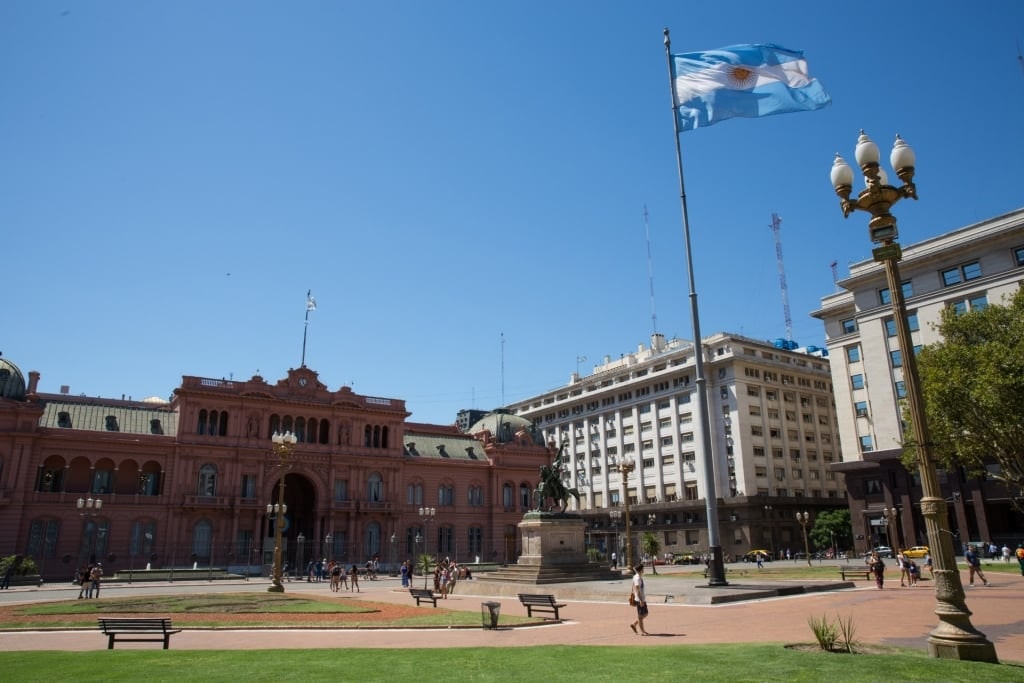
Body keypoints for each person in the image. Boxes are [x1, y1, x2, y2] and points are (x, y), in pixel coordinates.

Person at [629, 564, 649, 636]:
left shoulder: (638, 577)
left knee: (646, 613)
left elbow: (633, 586)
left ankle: (634, 624)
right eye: (643, 569)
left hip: (642, 598)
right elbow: (637, 589)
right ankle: (642, 631)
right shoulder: (637, 578)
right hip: (639, 599)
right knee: (640, 616)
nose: (644, 570)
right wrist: (640, 600)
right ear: (640, 570)